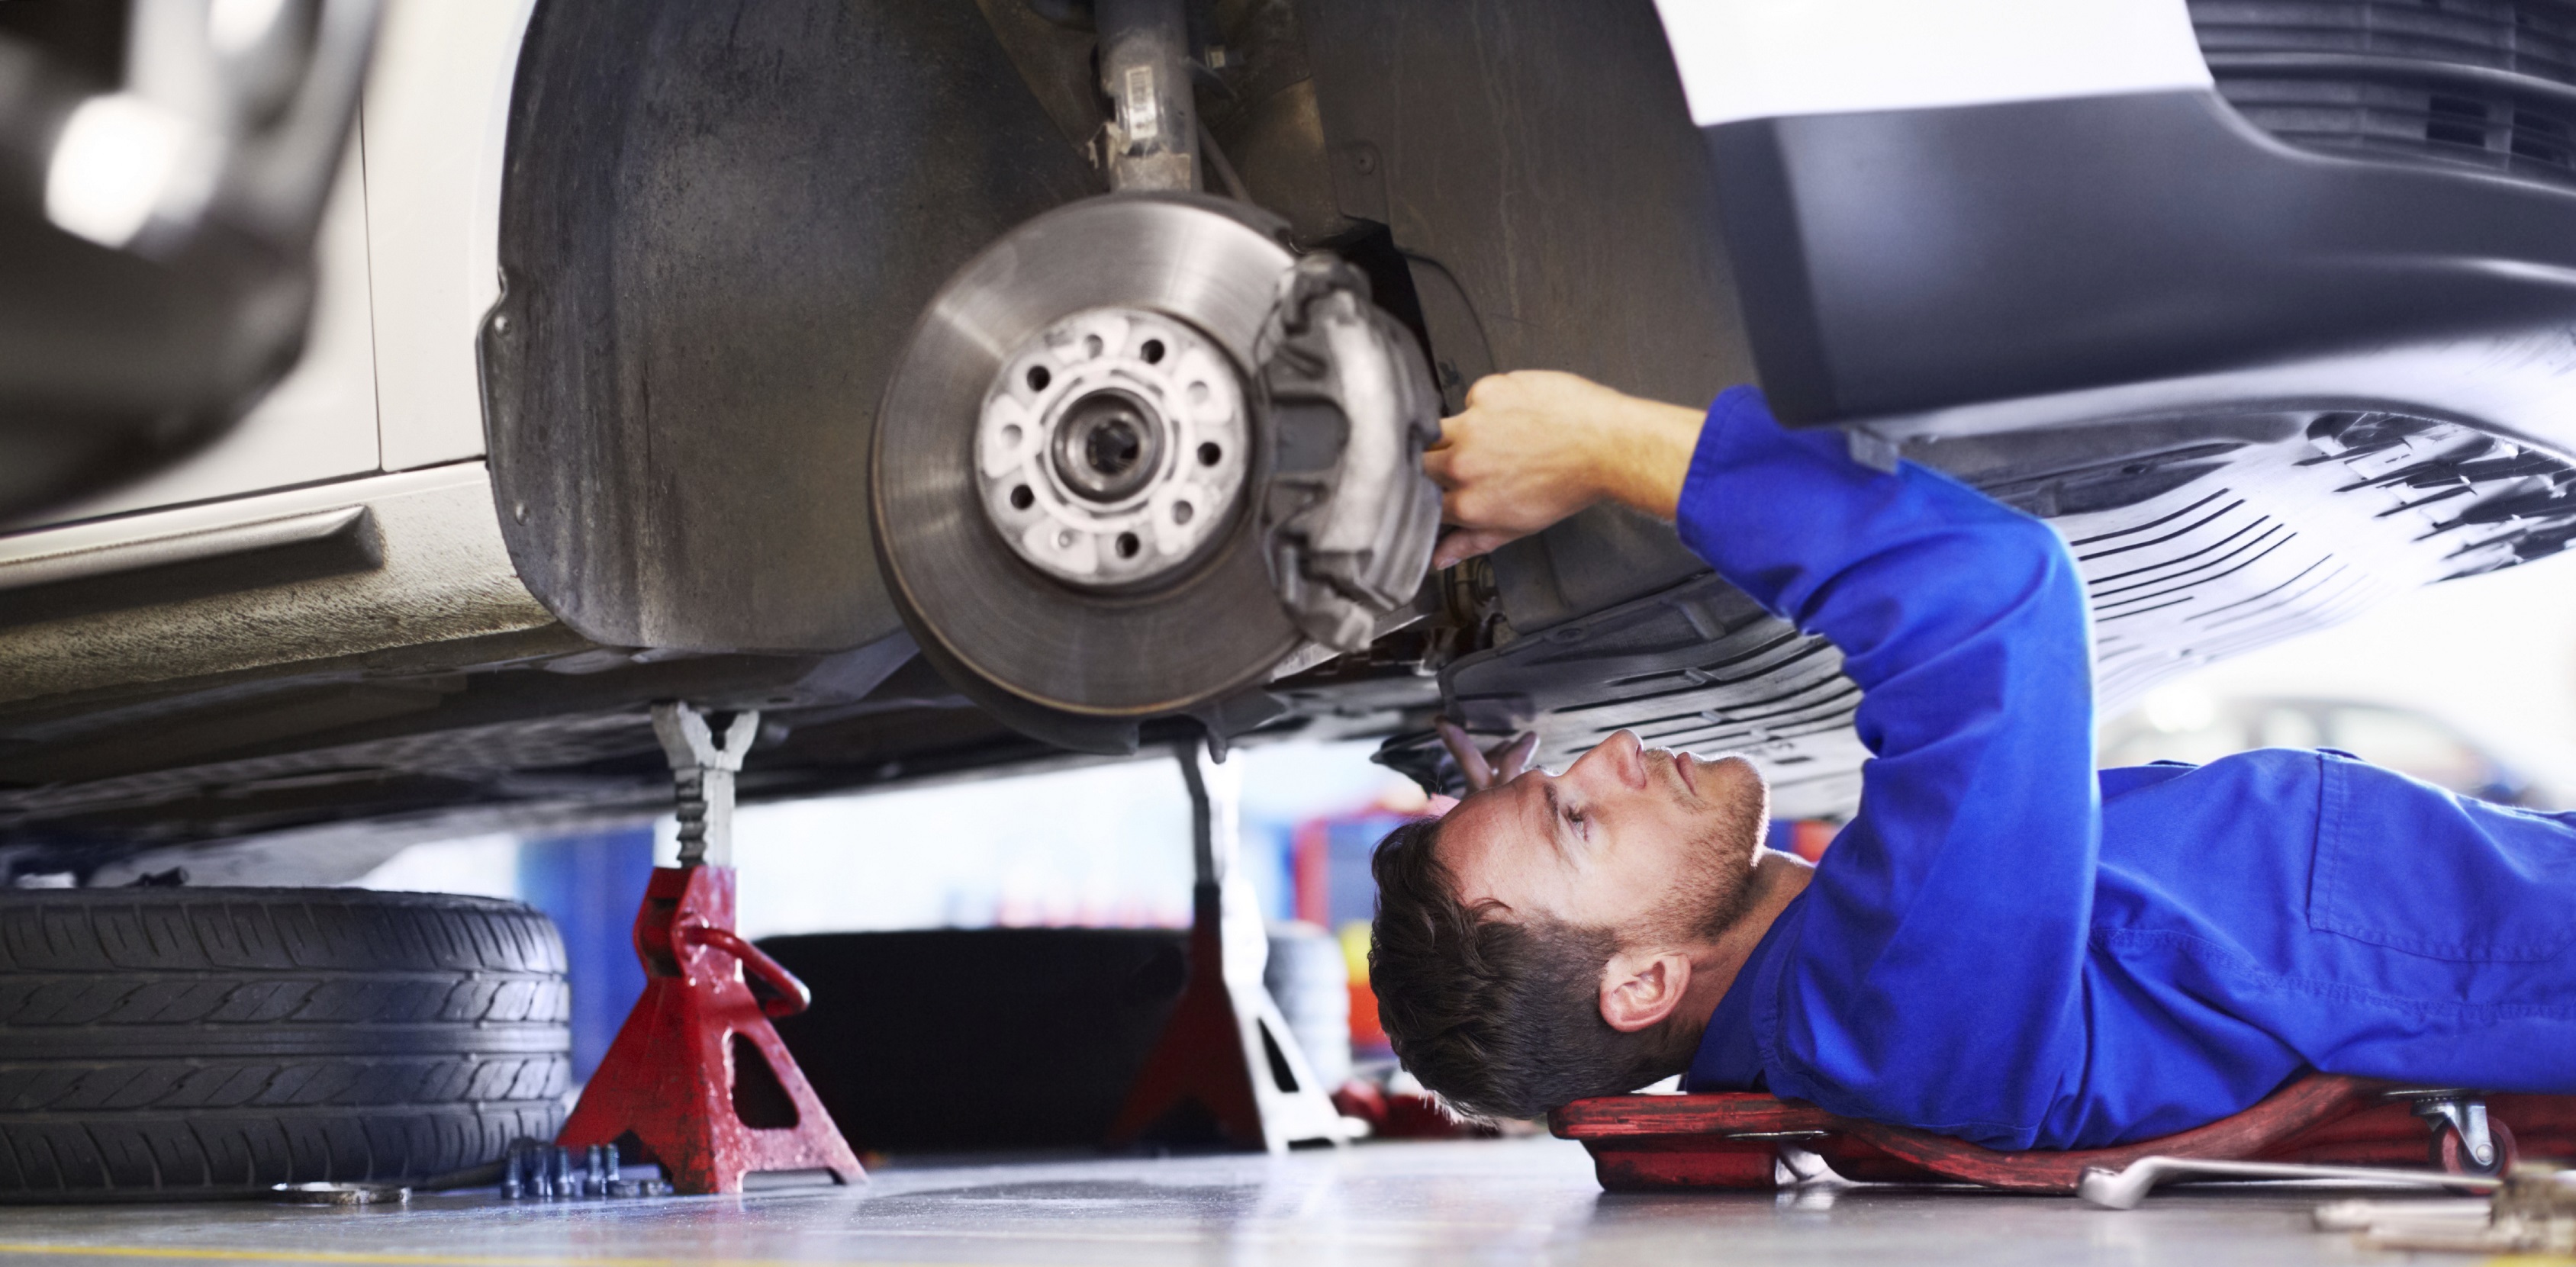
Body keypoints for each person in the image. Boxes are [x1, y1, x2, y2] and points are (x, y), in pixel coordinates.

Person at [1372, 370, 2576, 1148]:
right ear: (1640, 988)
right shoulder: (1885, 1007)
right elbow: (1990, 599)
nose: (1616, 750)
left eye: (1561, 775)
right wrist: (1600, 441)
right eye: (1578, 819)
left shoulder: (1853, 973)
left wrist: (1512, 813)